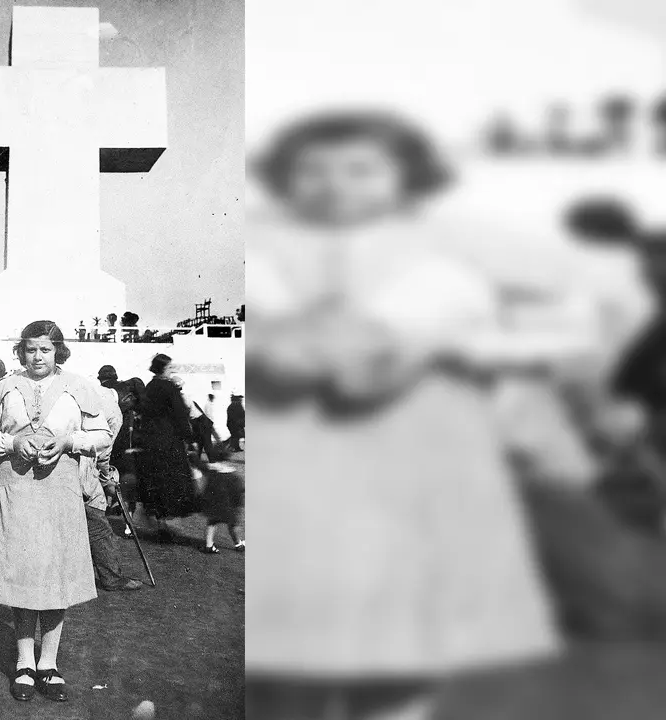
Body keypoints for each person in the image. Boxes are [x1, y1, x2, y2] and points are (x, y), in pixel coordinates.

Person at [244, 110, 571, 719]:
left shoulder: (445, 269)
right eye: (312, 169)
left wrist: (335, 337)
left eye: (362, 169)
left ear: (408, 177)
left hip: (414, 500)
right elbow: (290, 362)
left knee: (397, 673)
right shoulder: (262, 260)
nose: (336, 185)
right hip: (303, 502)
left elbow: (364, 375)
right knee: (290, 678)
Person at [0, 320, 112, 702]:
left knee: (56, 576)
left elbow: (102, 435)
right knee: (22, 573)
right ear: (21, 351)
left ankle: (48, 665)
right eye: (31, 349)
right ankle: (24, 664)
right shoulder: (3, 387)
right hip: (14, 489)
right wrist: (12, 442)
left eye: (45, 350)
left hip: (59, 490)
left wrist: (68, 441)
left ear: (58, 352)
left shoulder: (79, 387)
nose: (37, 357)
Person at [84, 367, 144, 591]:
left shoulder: (93, 390)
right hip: (83, 470)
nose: (130, 410)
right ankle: (111, 577)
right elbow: (102, 452)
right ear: (128, 397)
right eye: (132, 406)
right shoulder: (115, 413)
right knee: (99, 525)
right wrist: (107, 479)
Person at [136, 354, 197, 540]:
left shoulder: (150, 386)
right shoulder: (169, 386)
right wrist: (189, 436)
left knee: (156, 482)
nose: (173, 371)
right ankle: (166, 526)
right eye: (170, 368)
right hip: (168, 440)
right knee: (173, 482)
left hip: (150, 441)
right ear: (163, 369)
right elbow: (180, 413)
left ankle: (160, 522)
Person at [199, 446, 244, 552]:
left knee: (212, 522)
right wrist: (238, 504)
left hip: (215, 504)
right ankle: (238, 544)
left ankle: (209, 545)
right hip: (229, 506)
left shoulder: (211, 470)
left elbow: (199, 465)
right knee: (233, 525)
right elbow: (238, 491)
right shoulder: (233, 476)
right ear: (228, 458)